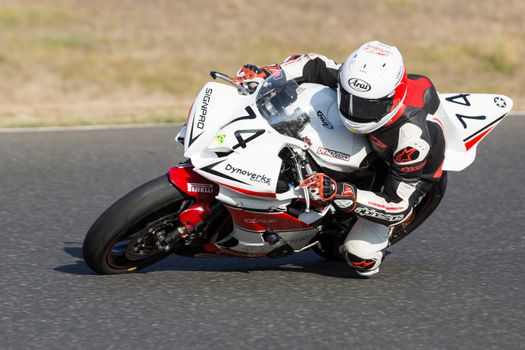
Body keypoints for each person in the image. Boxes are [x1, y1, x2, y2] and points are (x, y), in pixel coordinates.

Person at [232, 41, 445, 277]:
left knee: (360, 259)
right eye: (349, 98)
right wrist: (268, 73)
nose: (355, 110)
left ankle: (372, 240)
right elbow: (313, 65)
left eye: (367, 106)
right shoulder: (355, 81)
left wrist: (341, 192)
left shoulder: (411, 141)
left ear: (390, 100)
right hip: (367, 144)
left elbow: (397, 206)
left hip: (403, 176)